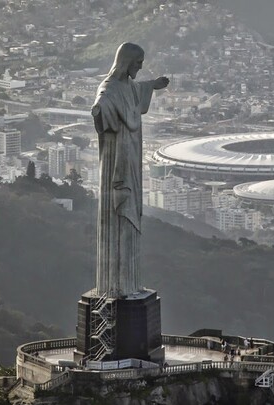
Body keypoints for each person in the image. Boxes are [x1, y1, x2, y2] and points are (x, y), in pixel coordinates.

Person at [92, 43, 169, 297]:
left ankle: (130, 284)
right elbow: (103, 102)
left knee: (131, 218)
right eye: (138, 63)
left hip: (132, 158)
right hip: (117, 159)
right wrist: (99, 110)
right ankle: (116, 286)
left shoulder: (128, 87)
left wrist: (153, 85)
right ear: (126, 62)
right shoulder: (110, 89)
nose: (140, 67)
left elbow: (137, 89)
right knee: (118, 218)